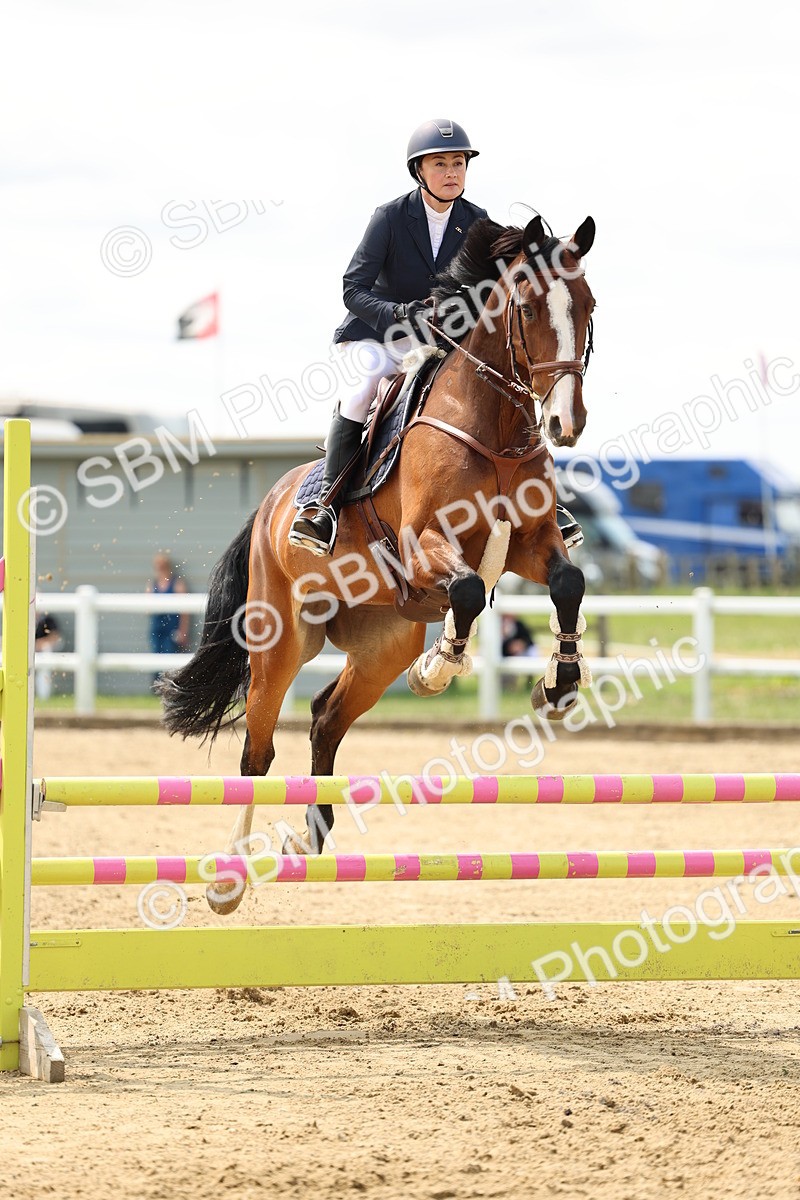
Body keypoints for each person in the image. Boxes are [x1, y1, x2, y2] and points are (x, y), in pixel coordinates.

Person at [289, 118, 489, 556]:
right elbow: (352, 287)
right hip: (377, 336)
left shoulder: (476, 222)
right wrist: (399, 315)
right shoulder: (390, 217)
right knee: (361, 391)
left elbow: (484, 292)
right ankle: (326, 507)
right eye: (441, 164)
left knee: (489, 387)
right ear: (419, 170)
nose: (452, 172)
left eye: (459, 163)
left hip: (437, 342)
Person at [147, 554, 189, 656]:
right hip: (157, 628)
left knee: (170, 656)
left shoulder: (177, 584)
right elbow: (147, 609)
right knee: (156, 658)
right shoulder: (152, 584)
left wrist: (183, 631)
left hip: (171, 628)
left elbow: (185, 611)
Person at [34, 611, 63, 701]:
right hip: (29, 649)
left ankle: (44, 696)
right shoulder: (22, 618)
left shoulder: (47, 619)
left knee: (46, 652)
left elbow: (55, 637)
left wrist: (39, 644)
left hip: (43, 650)